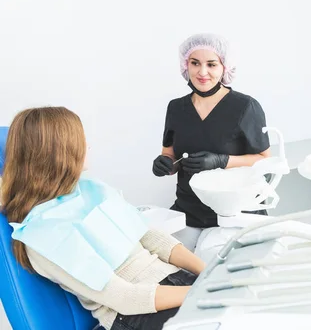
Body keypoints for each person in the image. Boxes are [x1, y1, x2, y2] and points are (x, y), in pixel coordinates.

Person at [0, 107, 206, 330]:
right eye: (80, 140)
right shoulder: (43, 235)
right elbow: (126, 299)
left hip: (172, 282)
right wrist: (203, 291)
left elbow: (150, 236)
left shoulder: (89, 189)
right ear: (59, 153)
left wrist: (209, 273)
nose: (87, 146)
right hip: (135, 315)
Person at [152, 33, 271, 252]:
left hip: (234, 211)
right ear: (185, 65)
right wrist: (166, 164)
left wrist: (221, 161)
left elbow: (264, 160)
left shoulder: (246, 107)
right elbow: (170, 154)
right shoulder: (176, 108)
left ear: (224, 67)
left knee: (211, 263)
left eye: (211, 64)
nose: (202, 72)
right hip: (189, 209)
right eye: (195, 63)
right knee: (158, 256)